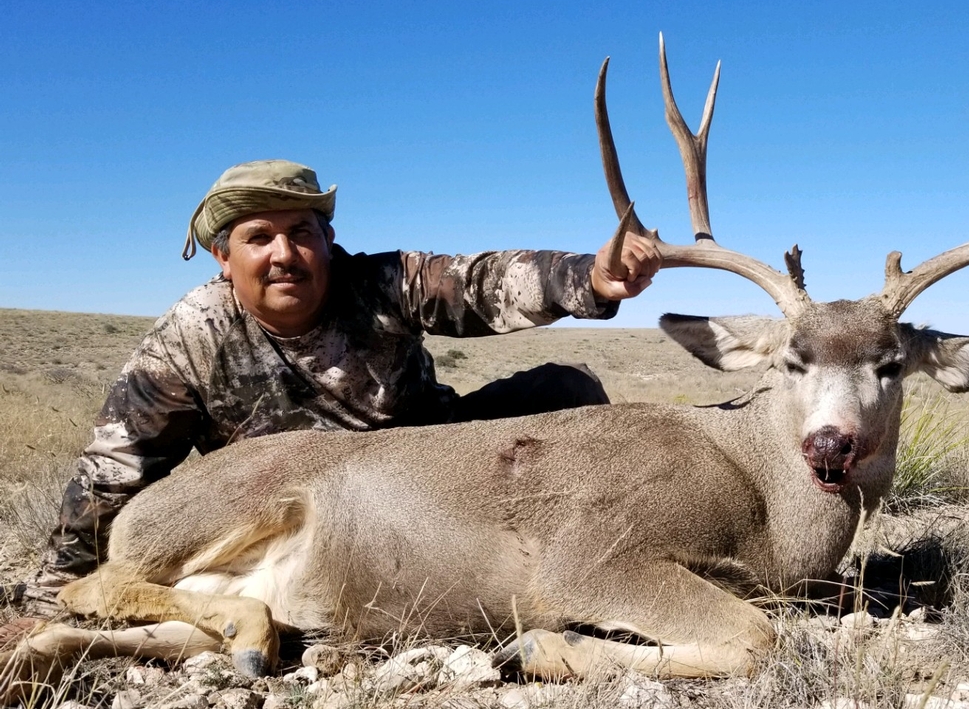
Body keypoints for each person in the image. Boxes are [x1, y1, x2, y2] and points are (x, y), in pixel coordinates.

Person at [15, 159, 661, 615]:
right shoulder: (189, 338)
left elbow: (485, 283)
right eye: (258, 237)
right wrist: (51, 599)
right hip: (312, 526)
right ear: (223, 256)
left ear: (329, 240)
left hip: (441, 475)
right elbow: (113, 473)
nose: (283, 253)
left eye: (301, 232)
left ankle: (612, 564)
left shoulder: (380, 283)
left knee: (567, 389)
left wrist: (592, 278)